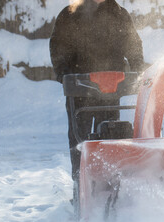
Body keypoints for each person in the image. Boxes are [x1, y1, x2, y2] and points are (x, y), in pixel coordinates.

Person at [49, 0, 144, 198]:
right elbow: (58, 47)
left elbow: (133, 45)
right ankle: (81, 188)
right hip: (79, 90)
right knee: (79, 140)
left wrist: (138, 71)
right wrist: (64, 74)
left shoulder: (119, 14)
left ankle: (109, 188)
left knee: (109, 138)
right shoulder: (70, 13)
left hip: (111, 91)